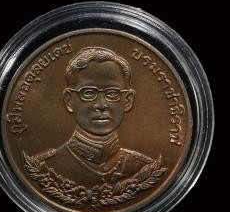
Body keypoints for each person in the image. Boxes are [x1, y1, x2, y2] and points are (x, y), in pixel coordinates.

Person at [31, 46, 153, 186]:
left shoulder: (145, 168)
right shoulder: (43, 168)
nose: (101, 105)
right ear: (69, 100)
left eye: (112, 93)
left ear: (128, 100)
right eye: (88, 93)